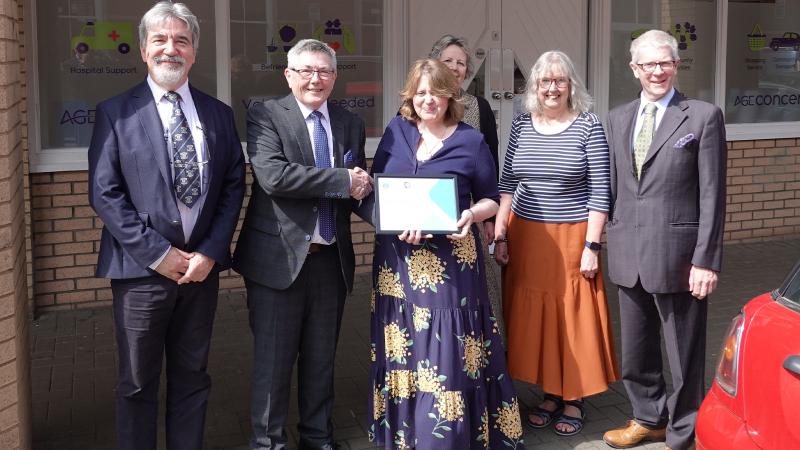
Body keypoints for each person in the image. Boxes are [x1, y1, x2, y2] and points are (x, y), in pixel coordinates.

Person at [87, 2, 245, 449]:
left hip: (199, 272)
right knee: (137, 382)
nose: (170, 49)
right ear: (143, 50)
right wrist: (158, 254)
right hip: (140, 273)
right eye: (160, 39)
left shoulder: (217, 114)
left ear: (194, 52)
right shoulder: (115, 112)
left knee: (192, 377)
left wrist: (211, 252)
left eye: (181, 40)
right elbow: (105, 192)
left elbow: (234, 184)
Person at [366, 59, 523, 449]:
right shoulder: (397, 131)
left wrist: (469, 213)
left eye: (435, 91)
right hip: (397, 261)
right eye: (419, 92)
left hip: (450, 261)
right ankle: (407, 435)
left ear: (450, 94)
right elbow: (380, 187)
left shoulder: (470, 140)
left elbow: (491, 198)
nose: (427, 99)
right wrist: (391, 216)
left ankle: (446, 438)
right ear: (410, 96)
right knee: (405, 344)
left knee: (446, 349)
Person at [232, 39, 373, 450]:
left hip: (330, 259)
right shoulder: (265, 114)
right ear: (289, 75)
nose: (316, 78)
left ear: (335, 76)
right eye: (306, 70)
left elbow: (359, 185)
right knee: (273, 363)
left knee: (320, 358)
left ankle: (318, 437)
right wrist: (344, 180)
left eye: (325, 71)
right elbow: (274, 177)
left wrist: (402, 217)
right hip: (278, 261)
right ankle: (268, 443)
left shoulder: (349, 123)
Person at [602, 30, 726, 450]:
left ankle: (684, 430)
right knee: (636, 351)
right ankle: (647, 418)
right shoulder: (617, 117)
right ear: (633, 68)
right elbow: (617, 187)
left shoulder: (702, 116)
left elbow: (712, 194)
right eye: (648, 64)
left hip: (679, 258)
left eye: (664, 62)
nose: (657, 71)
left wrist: (706, 260)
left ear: (676, 65)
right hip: (628, 254)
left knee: (683, 354)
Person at [493, 50, 619, 437]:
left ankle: (573, 397)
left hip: (572, 236)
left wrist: (592, 247)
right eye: (545, 81)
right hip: (527, 235)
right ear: (534, 86)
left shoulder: (588, 126)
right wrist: (500, 233)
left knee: (572, 315)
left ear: (571, 85)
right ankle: (549, 392)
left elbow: (601, 190)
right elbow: (508, 184)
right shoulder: (520, 125)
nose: (552, 88)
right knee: (535, 315)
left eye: (559, 80)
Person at [428, 34, 505, 340]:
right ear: (435, 64)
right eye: (449, 61)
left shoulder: (478, 107)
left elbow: (492, 164)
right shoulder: (419, 104)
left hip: (469, 216)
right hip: (427, 217)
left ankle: (489, 349)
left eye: (461, 63)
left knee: (480, 286)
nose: (456, 68)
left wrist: (488, 218)